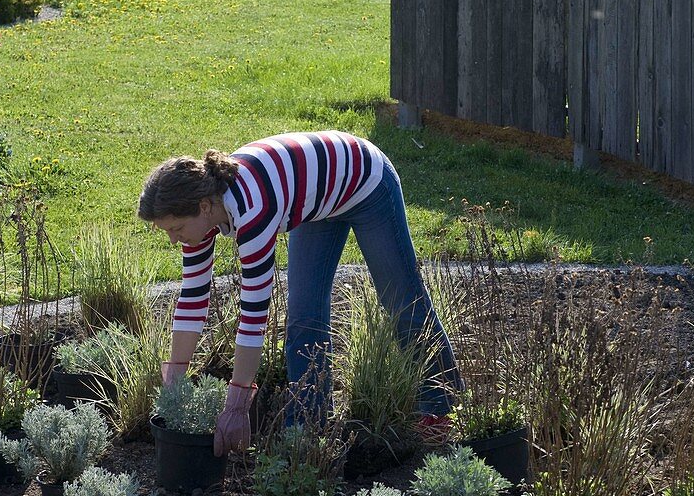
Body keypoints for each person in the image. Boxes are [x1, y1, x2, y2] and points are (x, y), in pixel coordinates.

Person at [138, 130, 462, 457]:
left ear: (205, 206)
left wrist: (236, 408)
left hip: (364, 180)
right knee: (304, 315)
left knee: (401, 299)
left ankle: (439, 406)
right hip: (315, 198)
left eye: (176, 229)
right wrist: (174, 382)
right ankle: (309, 427)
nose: (173, 240)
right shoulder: (202, 216)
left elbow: (254, 316)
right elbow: (193, 297)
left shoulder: (253, 210)